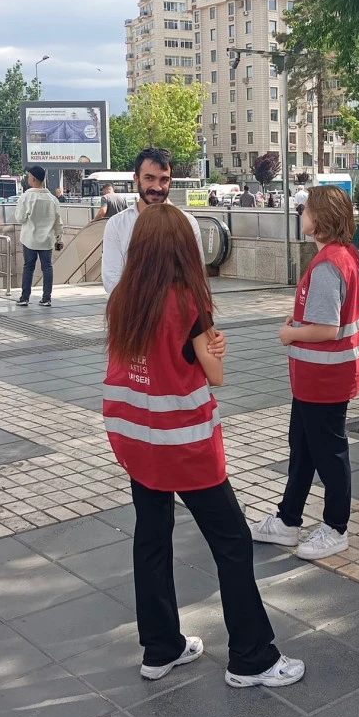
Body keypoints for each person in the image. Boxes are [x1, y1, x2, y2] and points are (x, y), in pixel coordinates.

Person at [102, 203, 305, 689]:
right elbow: (213, 375)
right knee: (232, 542)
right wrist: (217, 352)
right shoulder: (187, 301)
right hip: (184, 443)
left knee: (151, 536)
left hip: (134, 437)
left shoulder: (123, 299)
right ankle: (251, 657)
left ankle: (160, 647)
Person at [250, 185, 359, 560]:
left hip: (324, 379)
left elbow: (326, 329)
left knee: (329, 454)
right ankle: (288, 520)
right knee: (304, 449)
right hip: (322, 378)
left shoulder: (328, 264)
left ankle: (335, 527)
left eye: (306, 208)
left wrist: (289, 333)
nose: (301, 213)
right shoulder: (347, 255)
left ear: (319, 219)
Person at [101, 147, 202, 294]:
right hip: (132, 313)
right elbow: (112, 281)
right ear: (136, 178)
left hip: (178, 314)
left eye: (164, 180)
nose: (157, 187)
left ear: (170, 181)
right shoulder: (117, 224)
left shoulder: (187, 223)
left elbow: (197, 278)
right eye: (149, 178)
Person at [15, 165, 63, 307]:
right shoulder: (53, 199)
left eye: (29, 176)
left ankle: (25, 298)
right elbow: (58, 221)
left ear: (33, 178)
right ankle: (46, 298)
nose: (28, 178)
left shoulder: (26, 197)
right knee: (47, 267)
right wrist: (59, 238)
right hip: (47, 240)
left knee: (28, 267)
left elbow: (20, 218)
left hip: (29, 238)